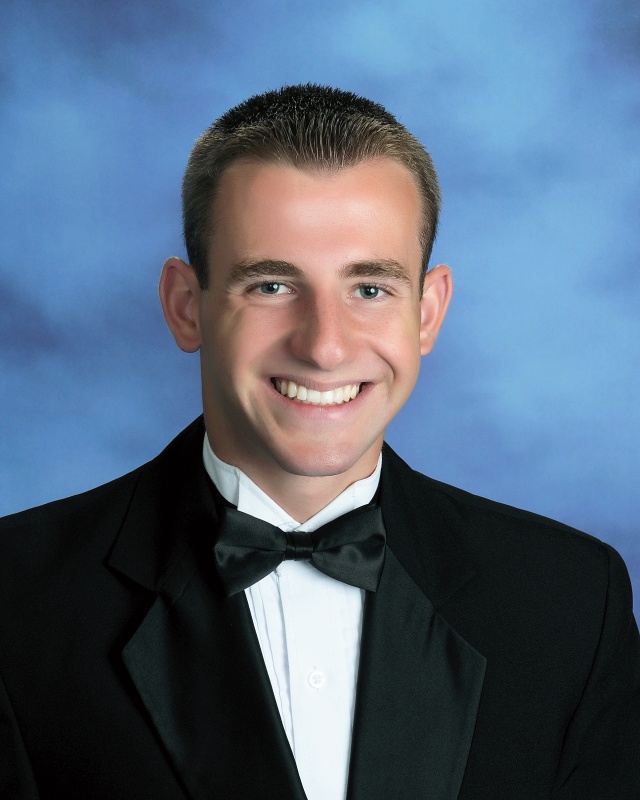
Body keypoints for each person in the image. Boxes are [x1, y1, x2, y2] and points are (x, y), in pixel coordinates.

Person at [0, 84, 638, 800]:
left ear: (427, 314)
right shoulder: (17, 602)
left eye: (370, 289)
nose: (325, 347)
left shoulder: (570, 603)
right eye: (271, 286)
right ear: (186, 307)